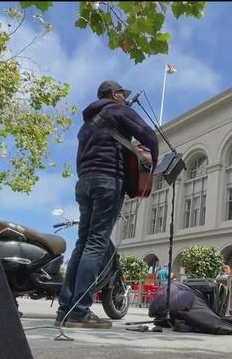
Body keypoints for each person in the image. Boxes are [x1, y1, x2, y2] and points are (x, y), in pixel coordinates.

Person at [55, 80, 158, 329]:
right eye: (123, 93)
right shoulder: (117, 110)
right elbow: (149, 136)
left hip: (85, 183)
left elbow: (80, 159)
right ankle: (80, 311)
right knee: (96, 243)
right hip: (107, 181)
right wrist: (150, 162)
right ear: (114, 94)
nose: (125, 97)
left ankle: (65, 309)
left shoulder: (86, 125)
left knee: (83, 243)